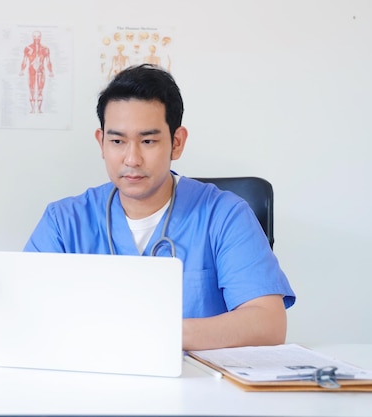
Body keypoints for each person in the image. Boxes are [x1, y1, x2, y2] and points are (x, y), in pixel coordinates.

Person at [24, 64, 295, 351]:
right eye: (117, 141)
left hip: (198, 388)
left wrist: (154, 333)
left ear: (176, 143)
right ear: (101, 143)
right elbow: (21, 310)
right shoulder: (64, 222)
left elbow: (268, 324)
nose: (132, 158)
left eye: (148, 141)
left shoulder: (225, 215)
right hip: (94, 386)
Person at [19, 30, 53, 113]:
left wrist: (51, 71)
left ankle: (39, 109)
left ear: (41, 37)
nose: (36, 38)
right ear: (32, 37)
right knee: (31, 89)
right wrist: (22, 70)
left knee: (40, 90)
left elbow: (48, 61)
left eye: (38, 36)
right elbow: (24, 60)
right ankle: (32, 109)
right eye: (35, 36)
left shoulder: (45, 49)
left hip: (41, 71)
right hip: (31, 71)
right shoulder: (28, 48)